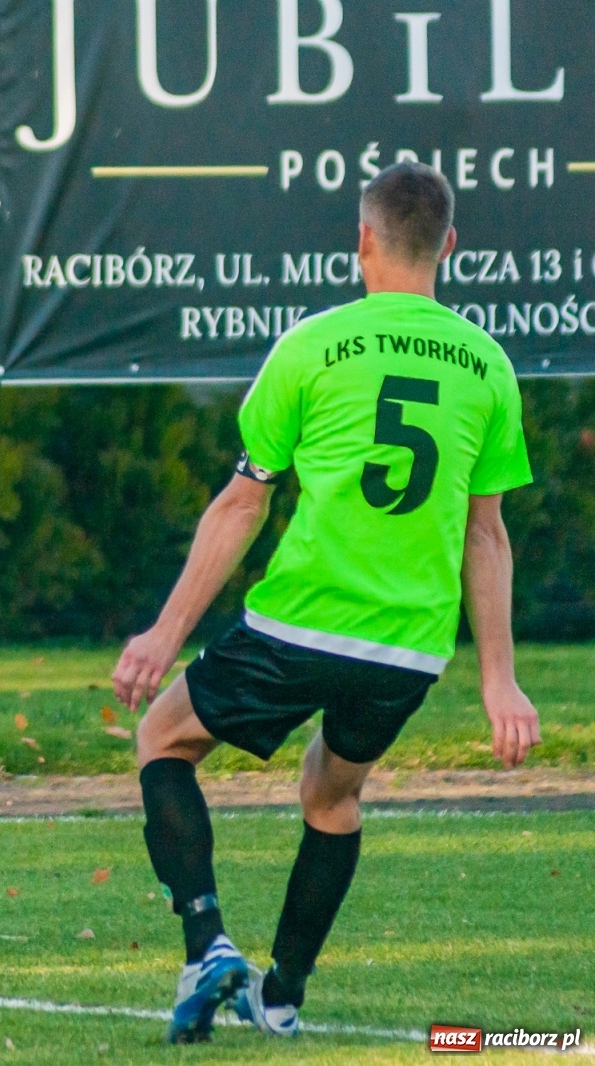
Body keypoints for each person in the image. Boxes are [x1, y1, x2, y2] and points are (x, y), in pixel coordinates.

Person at [111, 162, 539, 1043]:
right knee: (331, 797)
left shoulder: (311, 344)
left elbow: (242, 503)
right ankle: (281, 997)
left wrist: (166, 631)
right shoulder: (489, 365)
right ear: (449, 247)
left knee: (163, 737)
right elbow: (486, 535)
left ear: (363, 242)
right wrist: (499, 680)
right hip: (408, 648)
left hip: (300, 622)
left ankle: (206, 945)